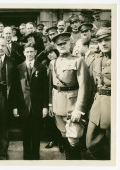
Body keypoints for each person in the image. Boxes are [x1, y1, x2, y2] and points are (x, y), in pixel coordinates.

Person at [49, 32, 90, 160]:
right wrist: (50, 104)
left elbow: (84, 86)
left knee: (74, 138)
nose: (62, 46)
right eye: (59, 44)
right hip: (57, 105)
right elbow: (51, 86)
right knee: (63, 135)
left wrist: (79, 109)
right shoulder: (53, 63)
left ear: (70, 44)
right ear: (56, 46)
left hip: (72, 105)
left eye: (64, 43)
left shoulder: (78, 61)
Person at [13, 43, 48, 160]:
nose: (29, 54)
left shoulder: (41, 68)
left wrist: (45, 106)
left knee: (36, 132)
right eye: (27, 52)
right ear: (24, 53)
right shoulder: (18, 68)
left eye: (31, 52)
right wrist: (15, 106)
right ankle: (27, 157)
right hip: (23, 105)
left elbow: (45, 89)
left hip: (37, 106)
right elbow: (16, 90)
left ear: (35, 52)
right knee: (26, 133)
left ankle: (35, 156)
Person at [86, 27, 111, 160]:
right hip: (98, 104)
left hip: (113, 106)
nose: (103, 43)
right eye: (100, 41)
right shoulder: (96, 59)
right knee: (91, 142)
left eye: (107, 40)